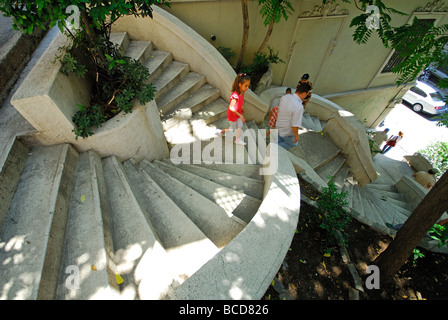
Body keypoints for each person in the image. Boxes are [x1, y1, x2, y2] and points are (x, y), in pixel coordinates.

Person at [276, 81, 312, 149]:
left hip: (279, 124)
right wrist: (296, 136)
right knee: (293, 144)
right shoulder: (299, 107)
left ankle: (273, 144)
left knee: (280, 137)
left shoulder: (285, 97)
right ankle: (274, 147)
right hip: (287, 131)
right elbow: (294, 126)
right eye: (306, 94)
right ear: (304, 93)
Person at [218, 73, 250, 145]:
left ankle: (237, 140)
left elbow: (240, 103)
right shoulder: (235, 96)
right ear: (239, 85)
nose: (247, 87)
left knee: (240, 125)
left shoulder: (242, 92)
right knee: (232, 129)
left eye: (248, 85)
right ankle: (222, 131)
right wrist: (240, 115)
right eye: (246, 86)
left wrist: (241, 108)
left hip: (238, 113)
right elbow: (231, 108)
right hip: (232, 114)